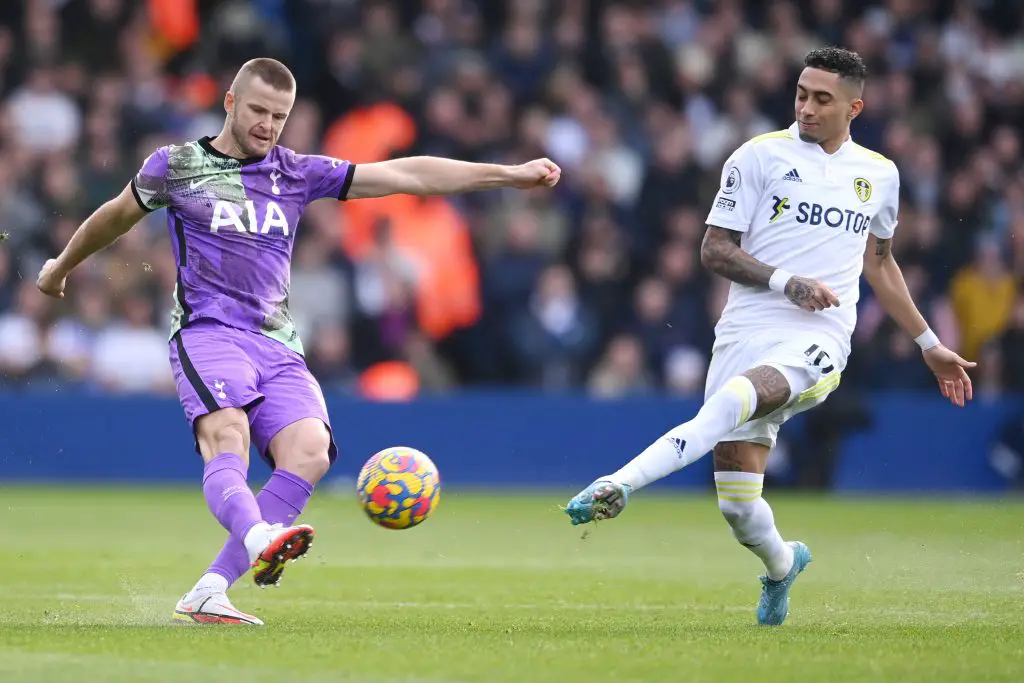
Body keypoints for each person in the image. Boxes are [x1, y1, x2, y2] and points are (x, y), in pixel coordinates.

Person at [37, 58, 561, 626]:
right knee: (228, 437)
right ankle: (260, 535)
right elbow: (115, 217)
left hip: (278, 345)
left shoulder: (296, 172)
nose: (268, 125)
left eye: (279, 116)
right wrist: (61, 267)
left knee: (310, 452)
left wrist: (510, 174)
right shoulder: (177, 166)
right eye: (258, 110)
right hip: (208, 333)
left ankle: (211, 588)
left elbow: (407, 175)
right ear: (231, 103)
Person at [563, 47, 974, 626]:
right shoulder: (758, 157)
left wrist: (928, 341)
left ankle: (619, 484)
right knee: (737, 506)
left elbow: (879, 264)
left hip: (820, 339)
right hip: (745, 330)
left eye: (822, 99)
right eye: (802, 94)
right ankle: (783, 566)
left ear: (855, 106)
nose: (806, 107)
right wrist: (787, 283)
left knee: (735, 402)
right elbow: (714, 249)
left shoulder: (880, 175)